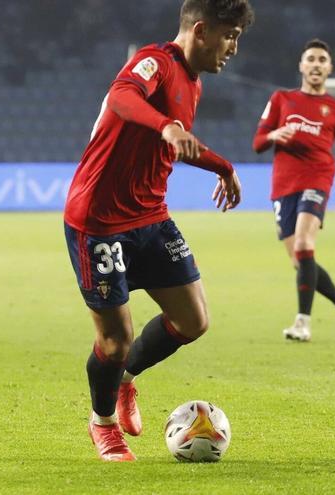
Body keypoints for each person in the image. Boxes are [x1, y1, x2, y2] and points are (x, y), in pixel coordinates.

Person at [63, 0, 254, 462]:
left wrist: (220, 166)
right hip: (99, 221)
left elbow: (176, 145)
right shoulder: (156, 61)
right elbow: (124, 97)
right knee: (115, 340)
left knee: (193, 321)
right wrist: (165, 124)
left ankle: (125, 380)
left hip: (151, 217)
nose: (233, 48)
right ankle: (102, 423)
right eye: (230, 36)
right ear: (202, 30)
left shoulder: (193, 83)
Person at [253, 39, 335, 342]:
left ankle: (302, 323)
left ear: (329, 68)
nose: (316, 64)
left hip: (318, 180)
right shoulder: (281, 99)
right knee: (302, 262)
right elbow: (258, 143)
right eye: (310, 58)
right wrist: (274, 133)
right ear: (301, 65)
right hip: (283, 186)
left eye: (322, 60)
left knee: (303, 243)